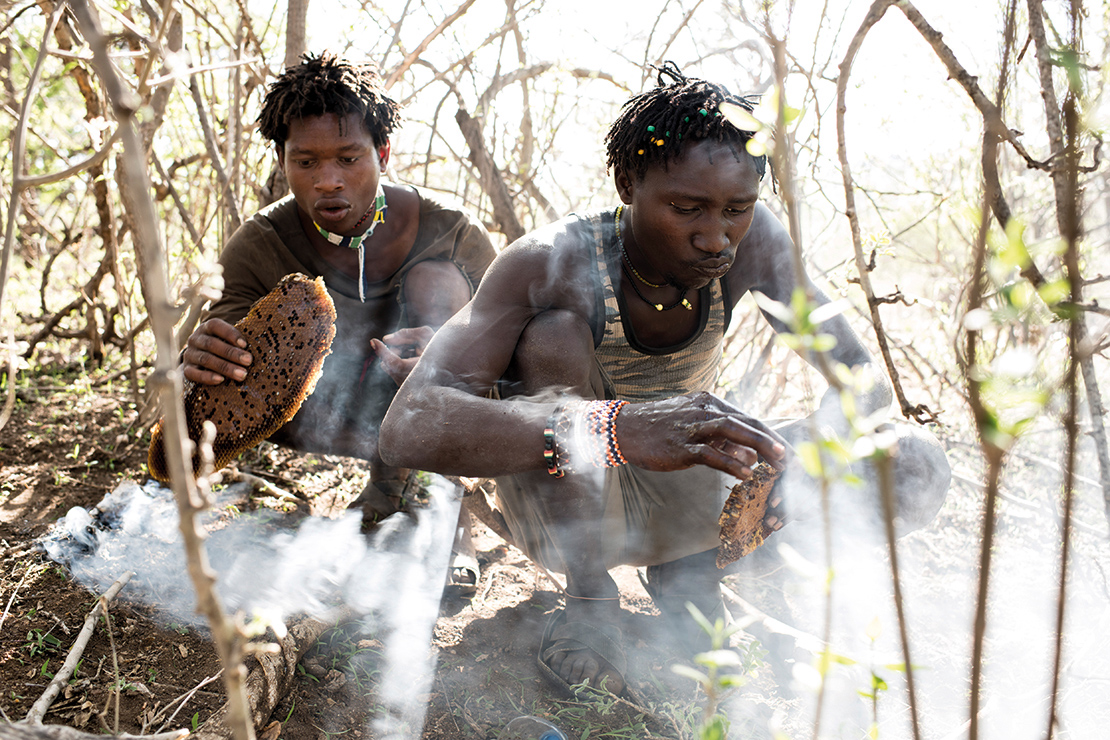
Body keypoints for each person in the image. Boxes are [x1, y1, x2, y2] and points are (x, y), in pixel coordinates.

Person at [378, 63, 950, 695]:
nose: (715, 238)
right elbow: (408, 427)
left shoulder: (753, 241)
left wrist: (797, 459)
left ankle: (692, 586)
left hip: (684, 490)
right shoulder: (549, 263)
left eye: (737, 209)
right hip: (563, 503)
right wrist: (613, 427)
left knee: (913, 461)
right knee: (554, 336)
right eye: (686, 209)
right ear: (628, 184)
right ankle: (592, 603)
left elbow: (862, 384)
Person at [180, 52, 498, 585]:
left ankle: (441, 509)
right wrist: (207, 352)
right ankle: (381, 504)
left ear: (383, 153)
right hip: (321, 414)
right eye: (306, 162)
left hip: (432, 413)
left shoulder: (452, 231)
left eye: (348, 158)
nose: (328, 181)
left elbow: (510, 348)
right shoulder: (261, 242)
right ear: (283, 161)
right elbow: (223, 340)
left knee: (437, 283)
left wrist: (452, 355)